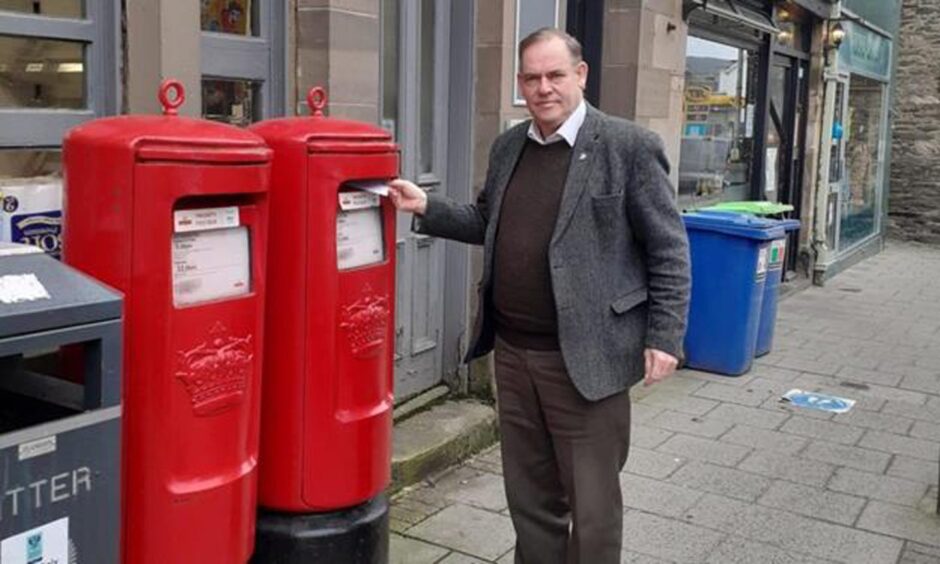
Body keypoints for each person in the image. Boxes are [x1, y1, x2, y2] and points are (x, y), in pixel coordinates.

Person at [388, 27, 690, 564]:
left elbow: (669, 251)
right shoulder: (510, 146)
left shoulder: (628, 147)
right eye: (530, 77)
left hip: (586, 359)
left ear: (581, 75)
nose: (542, 87)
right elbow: (488, 222)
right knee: (529, 500)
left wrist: (664, 336)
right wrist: (425, 207)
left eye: (554, 75)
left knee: (593, 509)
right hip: (514, 355)